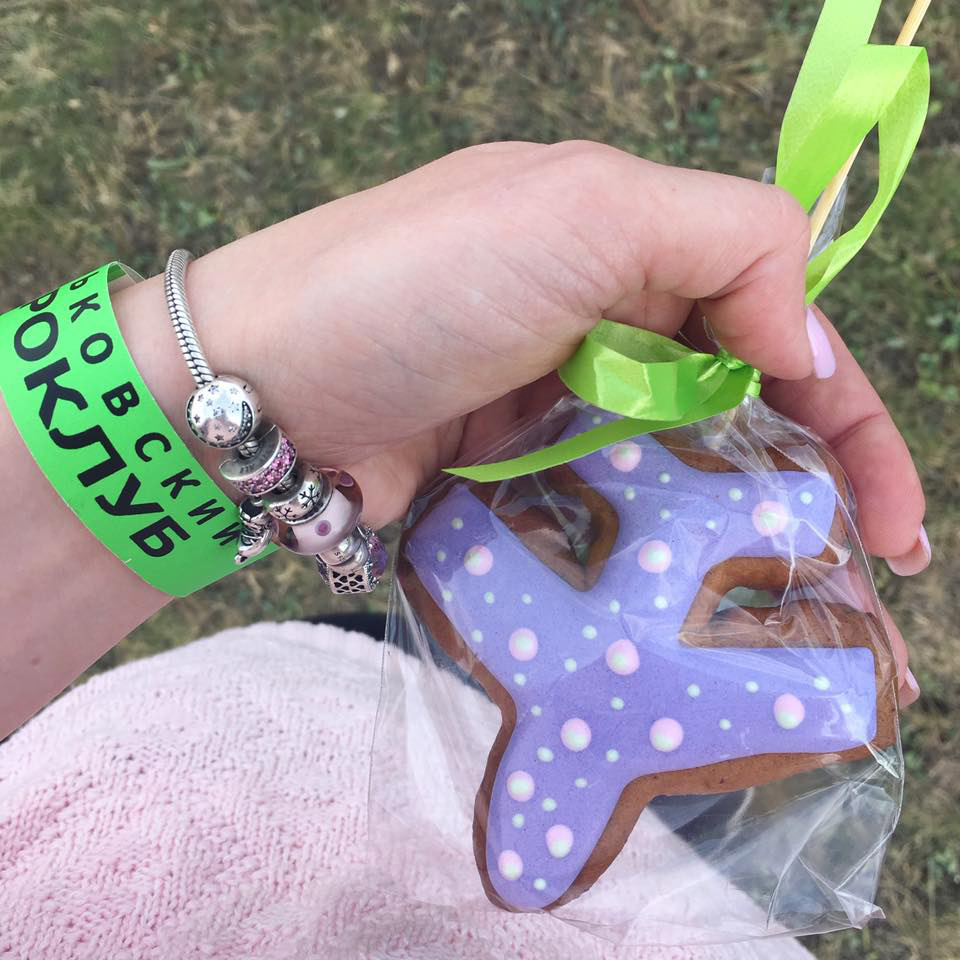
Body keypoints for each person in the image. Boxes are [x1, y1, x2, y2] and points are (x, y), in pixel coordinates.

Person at [0, 141, 929, 957]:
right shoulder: (735, 531)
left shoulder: (526, 566)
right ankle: (693, 836)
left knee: (685, 790)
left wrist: (196, 371)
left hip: (252, 734)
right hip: (395, 710)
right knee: (697, 811)